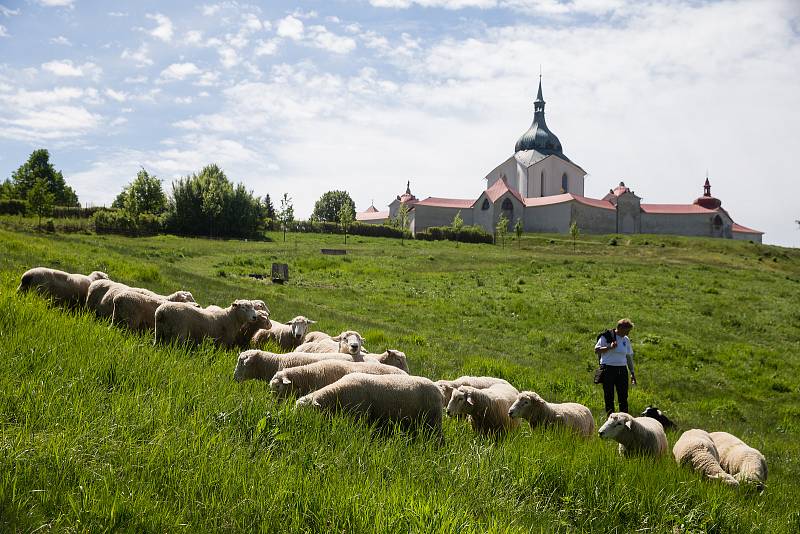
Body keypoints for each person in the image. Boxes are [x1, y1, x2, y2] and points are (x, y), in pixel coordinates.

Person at [594, 318, 636, 415]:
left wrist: (632, 373)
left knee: (623, 396)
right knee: (609, 396)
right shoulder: (606, 336)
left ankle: (624, 419)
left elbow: (629, 357)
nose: (628, 333)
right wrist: (609, 347)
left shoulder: (626, 339)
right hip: (608, 369)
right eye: (627, 331)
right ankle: (610, 419)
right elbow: (596, 350)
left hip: (622, 370)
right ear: (620, 328)